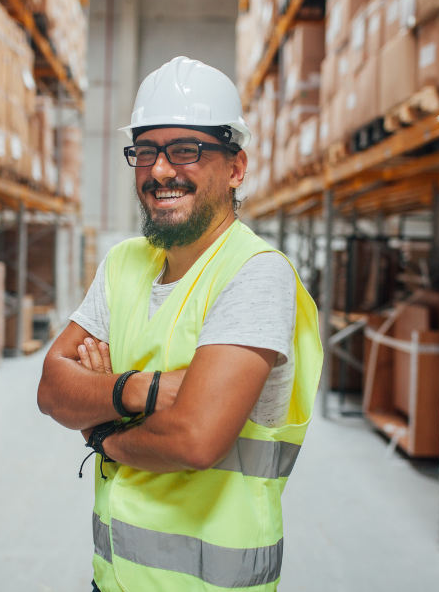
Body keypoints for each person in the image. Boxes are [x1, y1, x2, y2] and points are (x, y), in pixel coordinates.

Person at [37, 56, 323, 591]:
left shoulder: (256, 275)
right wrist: (145, 390)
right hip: (113, 577)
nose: (161, 170)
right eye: (146, 152)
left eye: (186, 150)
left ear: (235, 168)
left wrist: (102, 430)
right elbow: (52, 388)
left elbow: (195, 437)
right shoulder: (123, 263)